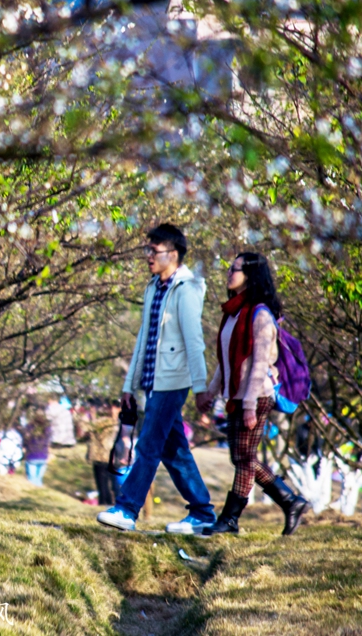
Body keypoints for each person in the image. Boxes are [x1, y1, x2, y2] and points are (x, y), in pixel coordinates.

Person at [97, 224, 216, 534]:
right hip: (153, 381)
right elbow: (143, 340)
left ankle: (127, 509)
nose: (148, 255)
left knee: (149, 444)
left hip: (174, 380)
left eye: (155, 250)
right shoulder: (153, 287)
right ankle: (202, 512)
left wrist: (201, 387)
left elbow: (194, 340)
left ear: (173, 254)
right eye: (146, 249)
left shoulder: (187, 289)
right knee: (173, 449)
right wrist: (128, 386)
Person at [198, 252, 309, 536]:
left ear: (250, 276)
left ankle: (230, 518)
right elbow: (227, 360)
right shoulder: (233, 312)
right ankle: (290, 501)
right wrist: (211, 392)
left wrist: (249, 406)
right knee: (241, 458)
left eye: (235, 269)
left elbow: (259, 363)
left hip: (256, 396)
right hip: (237, 396)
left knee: (245, 459)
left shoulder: (259, 314)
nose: (228, 273)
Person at [85, 399, 121, 505]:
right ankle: (107, 502)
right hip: (107, 456)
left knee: (104, 482)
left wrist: (92, 415)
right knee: (107, 482)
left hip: (103, 456)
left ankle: (105, 502)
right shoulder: (114, 422)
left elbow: (88, 428)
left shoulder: (105, 422)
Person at [22, 410, 52, 486]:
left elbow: (25, 440)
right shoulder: (47, 428)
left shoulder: (29, 427)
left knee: (31, 479)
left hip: (31, 455)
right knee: (39, 479)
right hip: (43, 455)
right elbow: (48, 442)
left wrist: (24, 449)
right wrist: (49, 454)